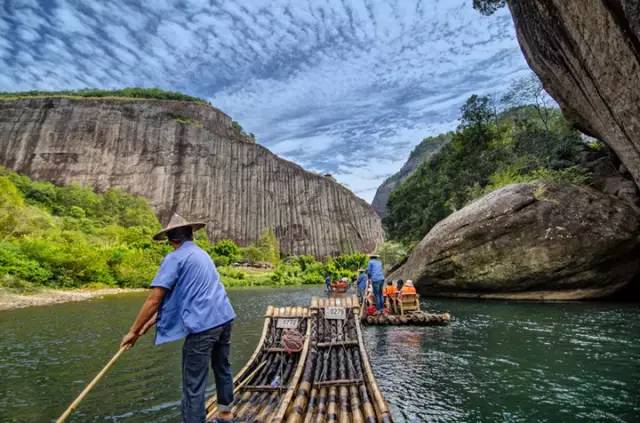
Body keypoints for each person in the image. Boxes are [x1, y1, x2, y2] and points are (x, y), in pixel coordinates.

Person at [120, 214, 236, 423]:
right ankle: (226, 413)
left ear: (171, 240)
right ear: (191, 235)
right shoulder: (202, 254)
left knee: (193, 383)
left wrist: (132, 332)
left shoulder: (174, 258)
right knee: (222, 366)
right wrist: (150, 321)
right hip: (224, 318)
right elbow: (185, 295)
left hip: (203, 326)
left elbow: (154, 299)